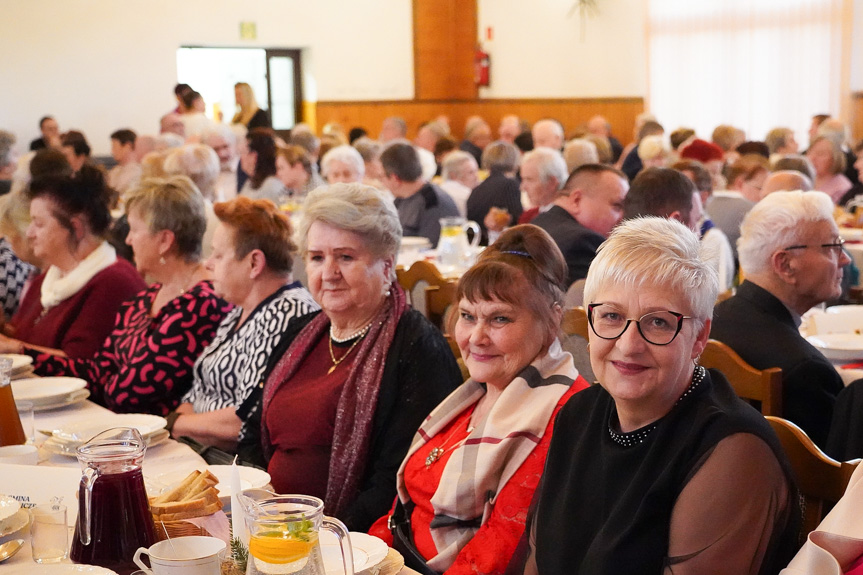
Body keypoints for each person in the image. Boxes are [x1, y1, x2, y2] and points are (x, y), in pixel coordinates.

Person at [508, 216, 799, 575]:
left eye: (658, 322)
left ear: (699, 336)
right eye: (612, 316)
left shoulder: (733, 452)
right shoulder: (578, 413)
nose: (629, 345)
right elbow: (538, 563)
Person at [368, 225, 588, 574]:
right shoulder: (473, 393)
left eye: (499, 318)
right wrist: (367, 558)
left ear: (552, 320)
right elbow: (402, 513)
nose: (476, 338)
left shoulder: (565, 415)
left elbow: (499, 553)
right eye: (468, 316)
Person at [242, 183, 461, 531]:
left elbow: (397, 481)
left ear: (387, 267)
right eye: (317, 258)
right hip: (268, 523)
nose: (328, 273)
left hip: (350, 539)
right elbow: (253, 432)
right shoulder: (300, 332)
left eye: (345, 257)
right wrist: (255, 505)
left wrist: (318, 533)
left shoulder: (417, 349)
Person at [7, 176, 232, 415]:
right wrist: (20, 352)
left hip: (164, 439)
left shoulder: (201, 303)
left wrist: (103, 379)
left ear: (165, 240)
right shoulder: (147, 298)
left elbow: (127, 394)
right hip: (126, 429)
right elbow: (96, 372)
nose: (128, 240)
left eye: (135, 229)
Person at [170, 196, 319, 451]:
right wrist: (177, 424)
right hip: (197, 450)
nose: (208, 263)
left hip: (236, 468)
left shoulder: (287, 314)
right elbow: (197, 392)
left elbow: (246, 420)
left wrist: (175, 424)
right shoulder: (239, 309)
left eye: (218, 255)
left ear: (254, 263)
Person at [711, 191, 848, 448]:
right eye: (832, 247)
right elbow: (829, 479)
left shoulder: (708, 324)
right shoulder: (805, 370)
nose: (845, 259)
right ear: (785, 265)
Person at [2, 166, 145, 359]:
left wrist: (15, 347)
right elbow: (28, 337)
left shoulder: (114, 283)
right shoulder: (49, 277)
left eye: (39, 223)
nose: (29, 233)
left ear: (76, 228)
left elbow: (82, 365)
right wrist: (4, 328)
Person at [532, 164, 628, 286]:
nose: (622, 217)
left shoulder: (539, 221)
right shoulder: (583, 242)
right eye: (617, 206)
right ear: (576, 200)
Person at [380, 143, 459, 246]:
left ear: (395, 179)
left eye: (382, 177)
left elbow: (429, 248)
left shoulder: (432, 203)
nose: (382, 183)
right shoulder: (401, 200)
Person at [466, 141, 523, 245]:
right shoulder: (510, 185)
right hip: (498, 245)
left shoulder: (477, 189)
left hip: (477, 244)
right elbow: (518, 219)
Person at [517, 147, 568, 224]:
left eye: (529, 180)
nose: (522, 187)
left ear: (551, 183)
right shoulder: (528, 217)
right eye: (523, 179)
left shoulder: (567, 219)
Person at [240, 129, 285, 205]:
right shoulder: (251, 181)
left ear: (254, 156)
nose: (241, 157)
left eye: (243, 153)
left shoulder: (271, 185)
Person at [807, 135, 852, 204]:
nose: (812, 158)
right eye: (810, 152)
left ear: (834, 158)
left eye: (820, 154)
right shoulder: (806, 180)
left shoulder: (842, 188)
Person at [106, 129, 143, 198]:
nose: (112, 151)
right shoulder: (115, 170)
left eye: (114, 147)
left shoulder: (137, 171)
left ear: (127, 146)